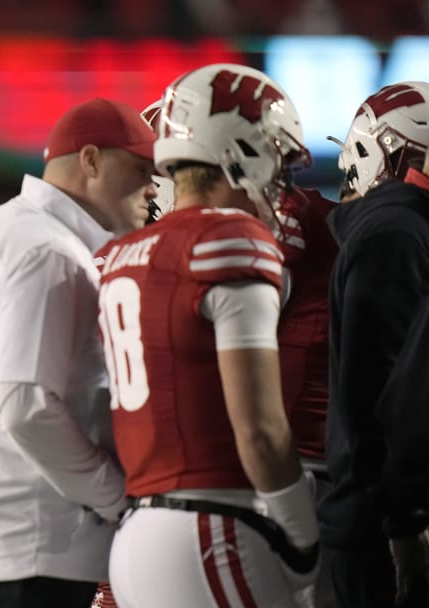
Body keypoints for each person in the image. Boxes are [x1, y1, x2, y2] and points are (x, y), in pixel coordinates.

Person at [97, 63, 319, 608]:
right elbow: (261, 431)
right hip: (210, 527)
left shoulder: (115, 255)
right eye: (278, 157)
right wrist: (301, 532)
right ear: (245, 150)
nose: (281, 180)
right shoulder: (229, 239)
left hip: (135, 534)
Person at [0, 97, 157, 608]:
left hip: (0, 543)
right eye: (141, 169)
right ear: (91, 160)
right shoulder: (47, 249)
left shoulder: (4, 228)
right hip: (30, 547)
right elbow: (28, 406)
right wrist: (119, 499)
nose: (153, 187)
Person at [320, 80, 429, 608]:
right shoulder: (397, 232)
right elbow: (386, 393)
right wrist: (403, 521)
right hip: (383, 524)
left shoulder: (394, 228)